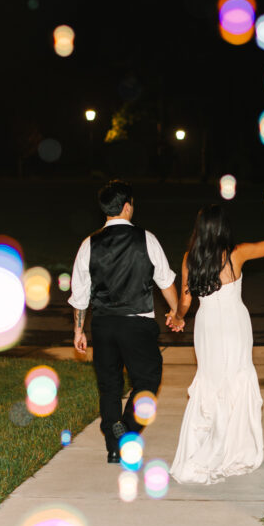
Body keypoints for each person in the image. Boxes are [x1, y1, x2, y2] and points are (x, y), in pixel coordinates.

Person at [167, 192, 264, 484]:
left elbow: (185, 302)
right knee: (236, 378)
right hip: (234, 324)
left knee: (212, 380)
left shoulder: (189, 259)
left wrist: (179, 318)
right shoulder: (236, 253)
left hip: (206, 327)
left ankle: (210, 442)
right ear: (222, 228)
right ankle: (233, 445)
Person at [69, 180, 180, 464]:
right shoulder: (146, 239)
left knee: (109, 385)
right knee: (148, 380)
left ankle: (113, 446)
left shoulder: (88, 244)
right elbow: (165, 280)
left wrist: (78, 330)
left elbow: (80, 294)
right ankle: (128, 429)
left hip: (104, 325)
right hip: (137, 324)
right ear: (128, 206)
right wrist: (176, 312)